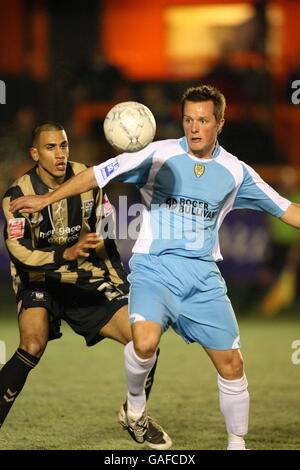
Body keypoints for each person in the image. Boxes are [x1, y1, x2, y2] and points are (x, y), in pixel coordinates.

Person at [10, 86, 300, 450]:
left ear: (220, 124)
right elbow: (98, 175)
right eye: (189, 119)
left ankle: (236, 443)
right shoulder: (155, 154)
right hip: (154, 270)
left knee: (233, 366)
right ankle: (134, 408)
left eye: (204, 121)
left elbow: (288, 210)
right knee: (145, 342)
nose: (195, 128)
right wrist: (46, 198)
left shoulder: (237, 173)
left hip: (203, 278)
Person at [1, 121, 172, 450]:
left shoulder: (89, 180)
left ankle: (134, 415)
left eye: (63, 145)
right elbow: (19, 252)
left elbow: (107, 230)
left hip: (86, 277)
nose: (60, 154)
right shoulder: (17, 195)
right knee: (32, 344)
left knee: (145, 339)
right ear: (35, 154)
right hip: (42, 280)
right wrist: (64, 252)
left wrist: (117, 275)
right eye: (50, 148)